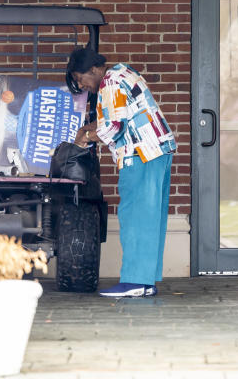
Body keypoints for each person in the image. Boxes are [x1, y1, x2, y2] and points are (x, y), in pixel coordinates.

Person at [66, 46, 176, 298]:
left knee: (135, 217)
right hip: (156, 151)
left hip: (141, 154)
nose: (82, 85)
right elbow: (116, 117)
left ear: (93, 69)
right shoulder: (123, 73)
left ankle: (134, 281)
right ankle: (144, 282)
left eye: (80, 78)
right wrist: (88, 128)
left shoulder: (110, 82)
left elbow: (114, 127)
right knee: (149, 218)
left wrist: (84, 140)